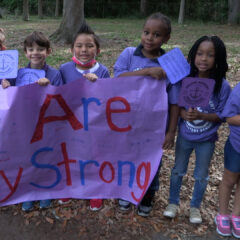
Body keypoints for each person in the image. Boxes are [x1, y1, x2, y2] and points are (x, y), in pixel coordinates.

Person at [113, 12, 179, 217]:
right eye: (146, 32)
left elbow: (175, 102)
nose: (150, 38)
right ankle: (125, 193)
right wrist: (147, 72)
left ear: (166, 39)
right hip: (128, 123)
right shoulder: (129, 54)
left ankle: (147, 195)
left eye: (157, 34)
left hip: (155, 127)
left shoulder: (171, 63)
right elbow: (118, 78)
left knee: (152, 162)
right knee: (128, 158)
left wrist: (171, 132)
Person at [163, 36, 231, 224]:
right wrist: (183, 115)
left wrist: (202, 116)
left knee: (201, 175)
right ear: (193, 56)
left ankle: (195, 207)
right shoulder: (186, 80)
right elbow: (177, 105)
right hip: (185, 136)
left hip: (207, 140)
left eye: (210, 55)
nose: (204, 58)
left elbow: (223, 115)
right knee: (178, 170)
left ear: (218, 60)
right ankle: (173, 203)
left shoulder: (222, 87)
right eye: (200, 54)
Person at [2, 31, 62, 211]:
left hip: (46, 125)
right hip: (24, 125)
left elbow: (61, 98)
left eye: (40, 49)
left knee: (45, 157)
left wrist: (48, 88)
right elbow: (11, 97)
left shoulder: (54, 74)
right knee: (26, 159)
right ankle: (27, 193)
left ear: (48, 52)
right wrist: (7, 86)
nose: (35, 52)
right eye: (31, 49)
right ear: (26, 53)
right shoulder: (19, 73)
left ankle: (44, 193)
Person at [59, 23, 110, 211]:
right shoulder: (64, 69)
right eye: (79, 45)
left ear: (98, 49)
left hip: (94, 126)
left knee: (94, 157)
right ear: (71, 49)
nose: (84, 50)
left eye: (89, 45)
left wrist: (98, 85)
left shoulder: (102, 71)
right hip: (70, 126)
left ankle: (95, 191)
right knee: (70, 156)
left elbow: (108, 100)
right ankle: (68, 187)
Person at [215, 82, 240, 237]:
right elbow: (229, 117)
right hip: (237, 146)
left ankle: (236, 215)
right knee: (229, 181)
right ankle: (223, 214)